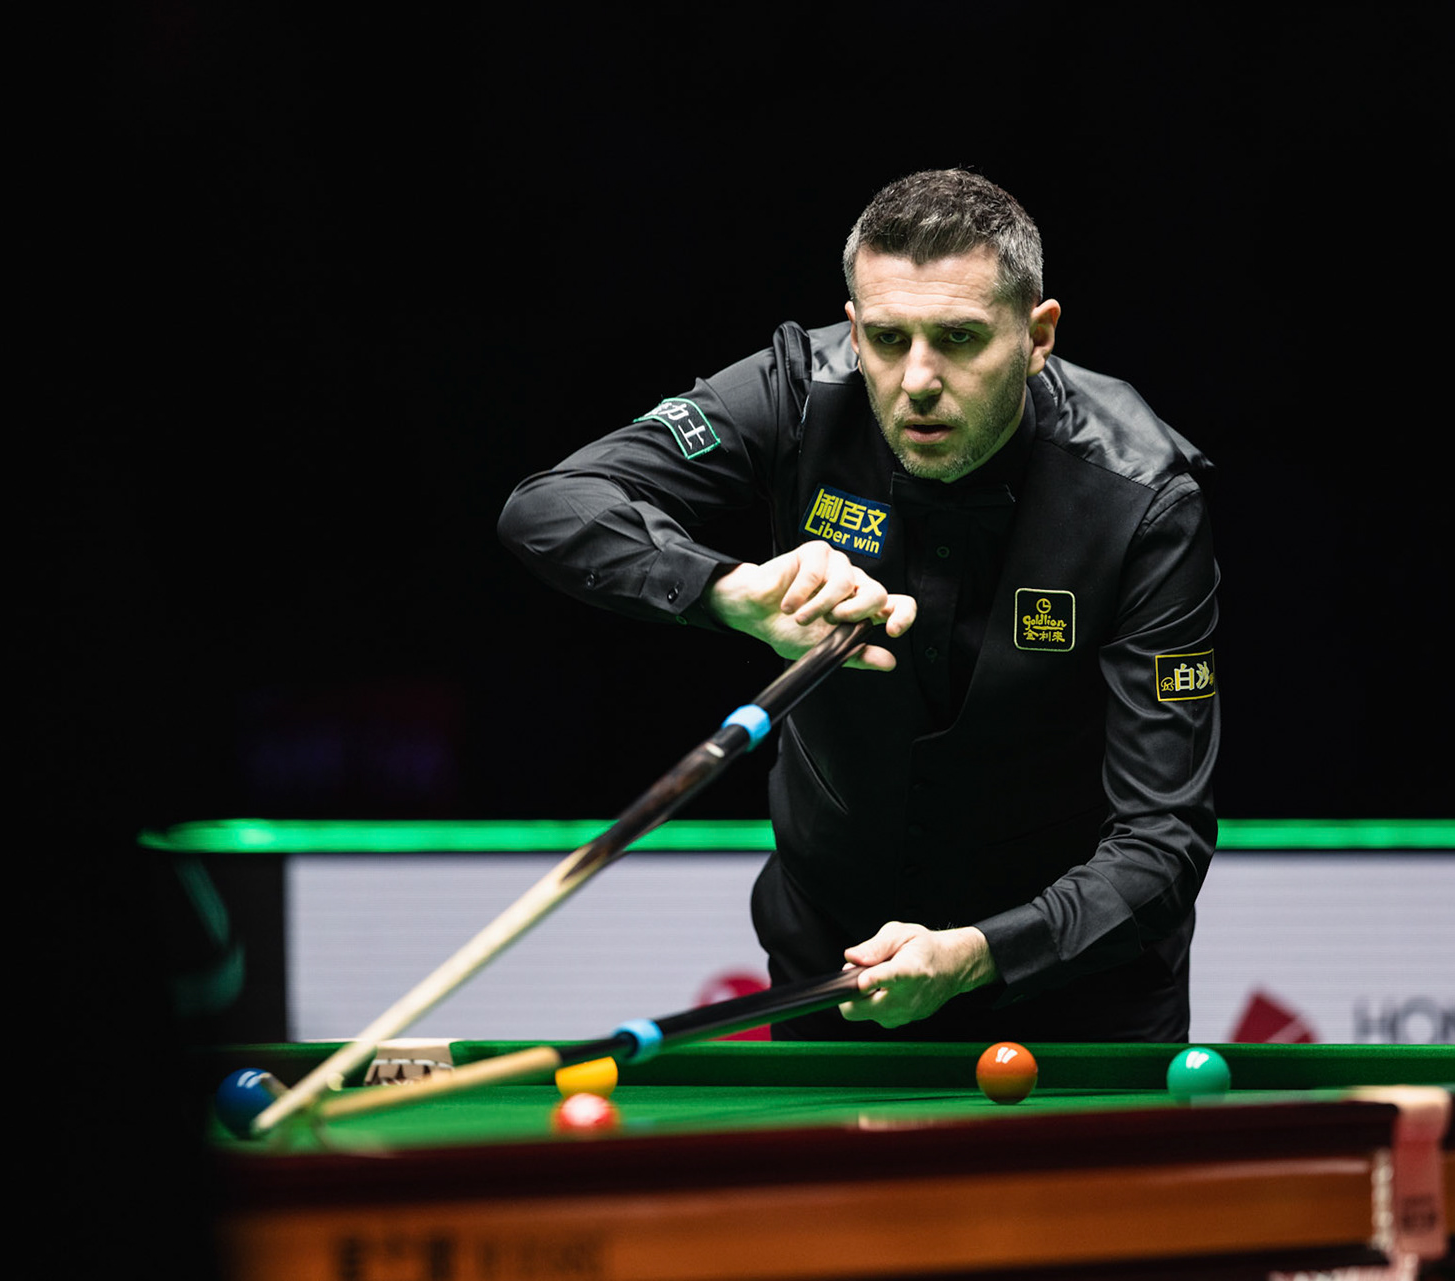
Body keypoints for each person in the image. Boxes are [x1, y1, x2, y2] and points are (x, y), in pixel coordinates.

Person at [499, 169, 1219, 1042]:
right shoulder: (798, 391)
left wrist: (979, 952)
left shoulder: (1141, 497)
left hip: (1078, 992)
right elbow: (551, 507)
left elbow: (1163, 838)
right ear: (852, 329)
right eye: (886, 338)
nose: (917, 379)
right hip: (835, 971)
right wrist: (728, 591)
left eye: (958, 338)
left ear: (1038, 336)